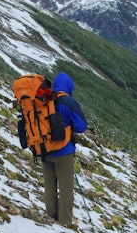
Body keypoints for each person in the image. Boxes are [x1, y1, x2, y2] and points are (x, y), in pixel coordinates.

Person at [42, 72, 87, 226]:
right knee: (66, 188)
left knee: (49, 187)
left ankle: (50, 218)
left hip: (44, 150)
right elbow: (81, 126)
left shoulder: (45, 100)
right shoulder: (68, 101)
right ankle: (64, 223)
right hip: (64, 151)